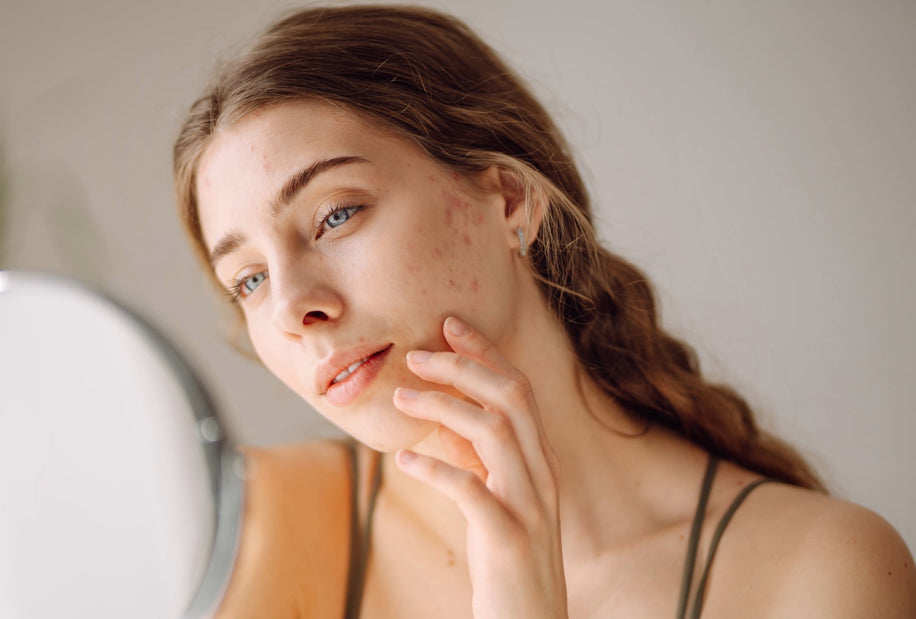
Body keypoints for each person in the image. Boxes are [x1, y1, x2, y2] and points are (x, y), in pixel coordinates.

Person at [172, 5, 916, 617]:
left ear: (509, 199)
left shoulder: (819, 574)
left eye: (336, 215)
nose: (292, 308)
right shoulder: (252, 527)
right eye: (249, 279)